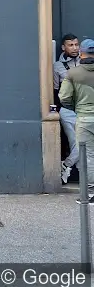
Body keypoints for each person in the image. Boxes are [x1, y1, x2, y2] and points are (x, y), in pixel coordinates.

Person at [59, 38, 94, 203]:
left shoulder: (74, 73)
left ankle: (91, 192)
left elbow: (64, 97)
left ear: (81, 53)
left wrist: (76, 107)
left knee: (87, 154)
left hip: (84, 117)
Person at [54, 33, 81, 184]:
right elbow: (55, 90)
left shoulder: (85, 62)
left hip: (86, 109)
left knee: (86, 144)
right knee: (76, 144)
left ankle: (66, 165)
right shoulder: (57, 66)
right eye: (71, 45)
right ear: (63, 47)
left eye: (76, 44)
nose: (75, 47)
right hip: (68, 111)